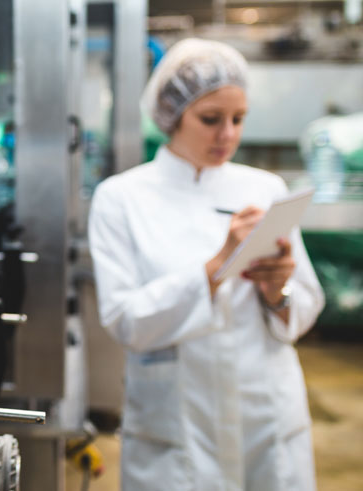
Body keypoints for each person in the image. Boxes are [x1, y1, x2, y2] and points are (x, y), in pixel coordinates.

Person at [89, 38, 325, 490]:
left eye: (238, 120)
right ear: (173, 116)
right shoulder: (122, 198)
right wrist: (217, 267)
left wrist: (279, 293)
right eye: (211, 119)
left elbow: (306, 304)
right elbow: (124, 320)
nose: (228, 135)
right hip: (177, 425)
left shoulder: (265, 189)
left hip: (266, 417)